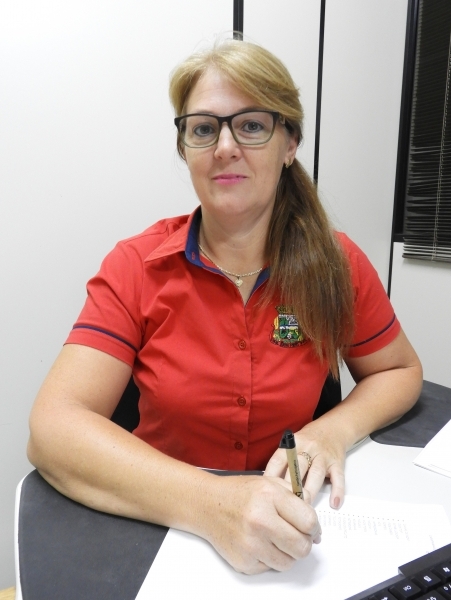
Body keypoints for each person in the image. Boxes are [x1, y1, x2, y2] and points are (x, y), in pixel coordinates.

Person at [27, 38, 423, 575]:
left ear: (290, 144)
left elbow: (399, 370)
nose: (225, 147)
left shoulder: (338, 264)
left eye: (252, 125)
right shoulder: (136, 266)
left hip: (291, 531)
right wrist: (213, 506)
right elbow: (52, 427)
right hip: (160, 523)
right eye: (204, 129)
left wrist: (332, 431)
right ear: (185, 148)